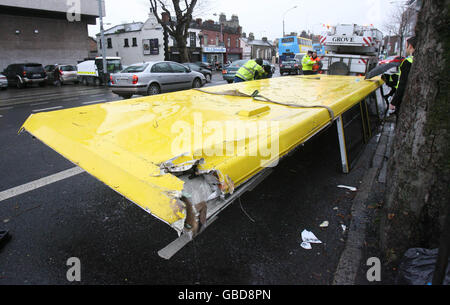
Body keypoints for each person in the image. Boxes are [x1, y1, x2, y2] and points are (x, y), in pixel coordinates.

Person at [390, 36, 416, 115]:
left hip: (404, 99)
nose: (406, 49)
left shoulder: (407, 62)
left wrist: (394, 102)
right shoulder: (417, 60)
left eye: (406, 46)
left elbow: (402, 84)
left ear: (410, 46)